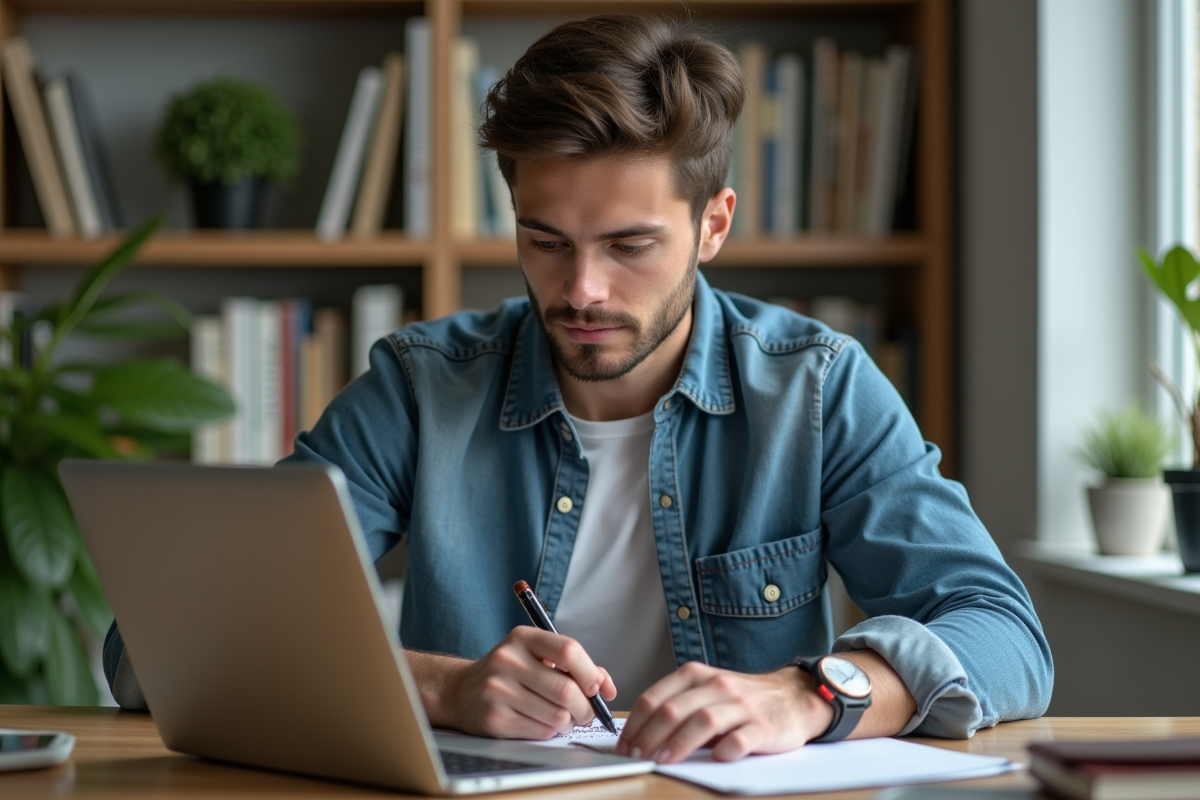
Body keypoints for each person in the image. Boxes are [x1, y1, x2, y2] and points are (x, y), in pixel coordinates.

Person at [104, 13, 1052, 763]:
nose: (582, 290)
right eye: (544, 241)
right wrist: (437, 686)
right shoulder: (420, 389)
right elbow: (157, 651)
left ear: (712, 224)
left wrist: (812, 694)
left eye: (629, 246)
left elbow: (1007, 638)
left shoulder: (818, 389)